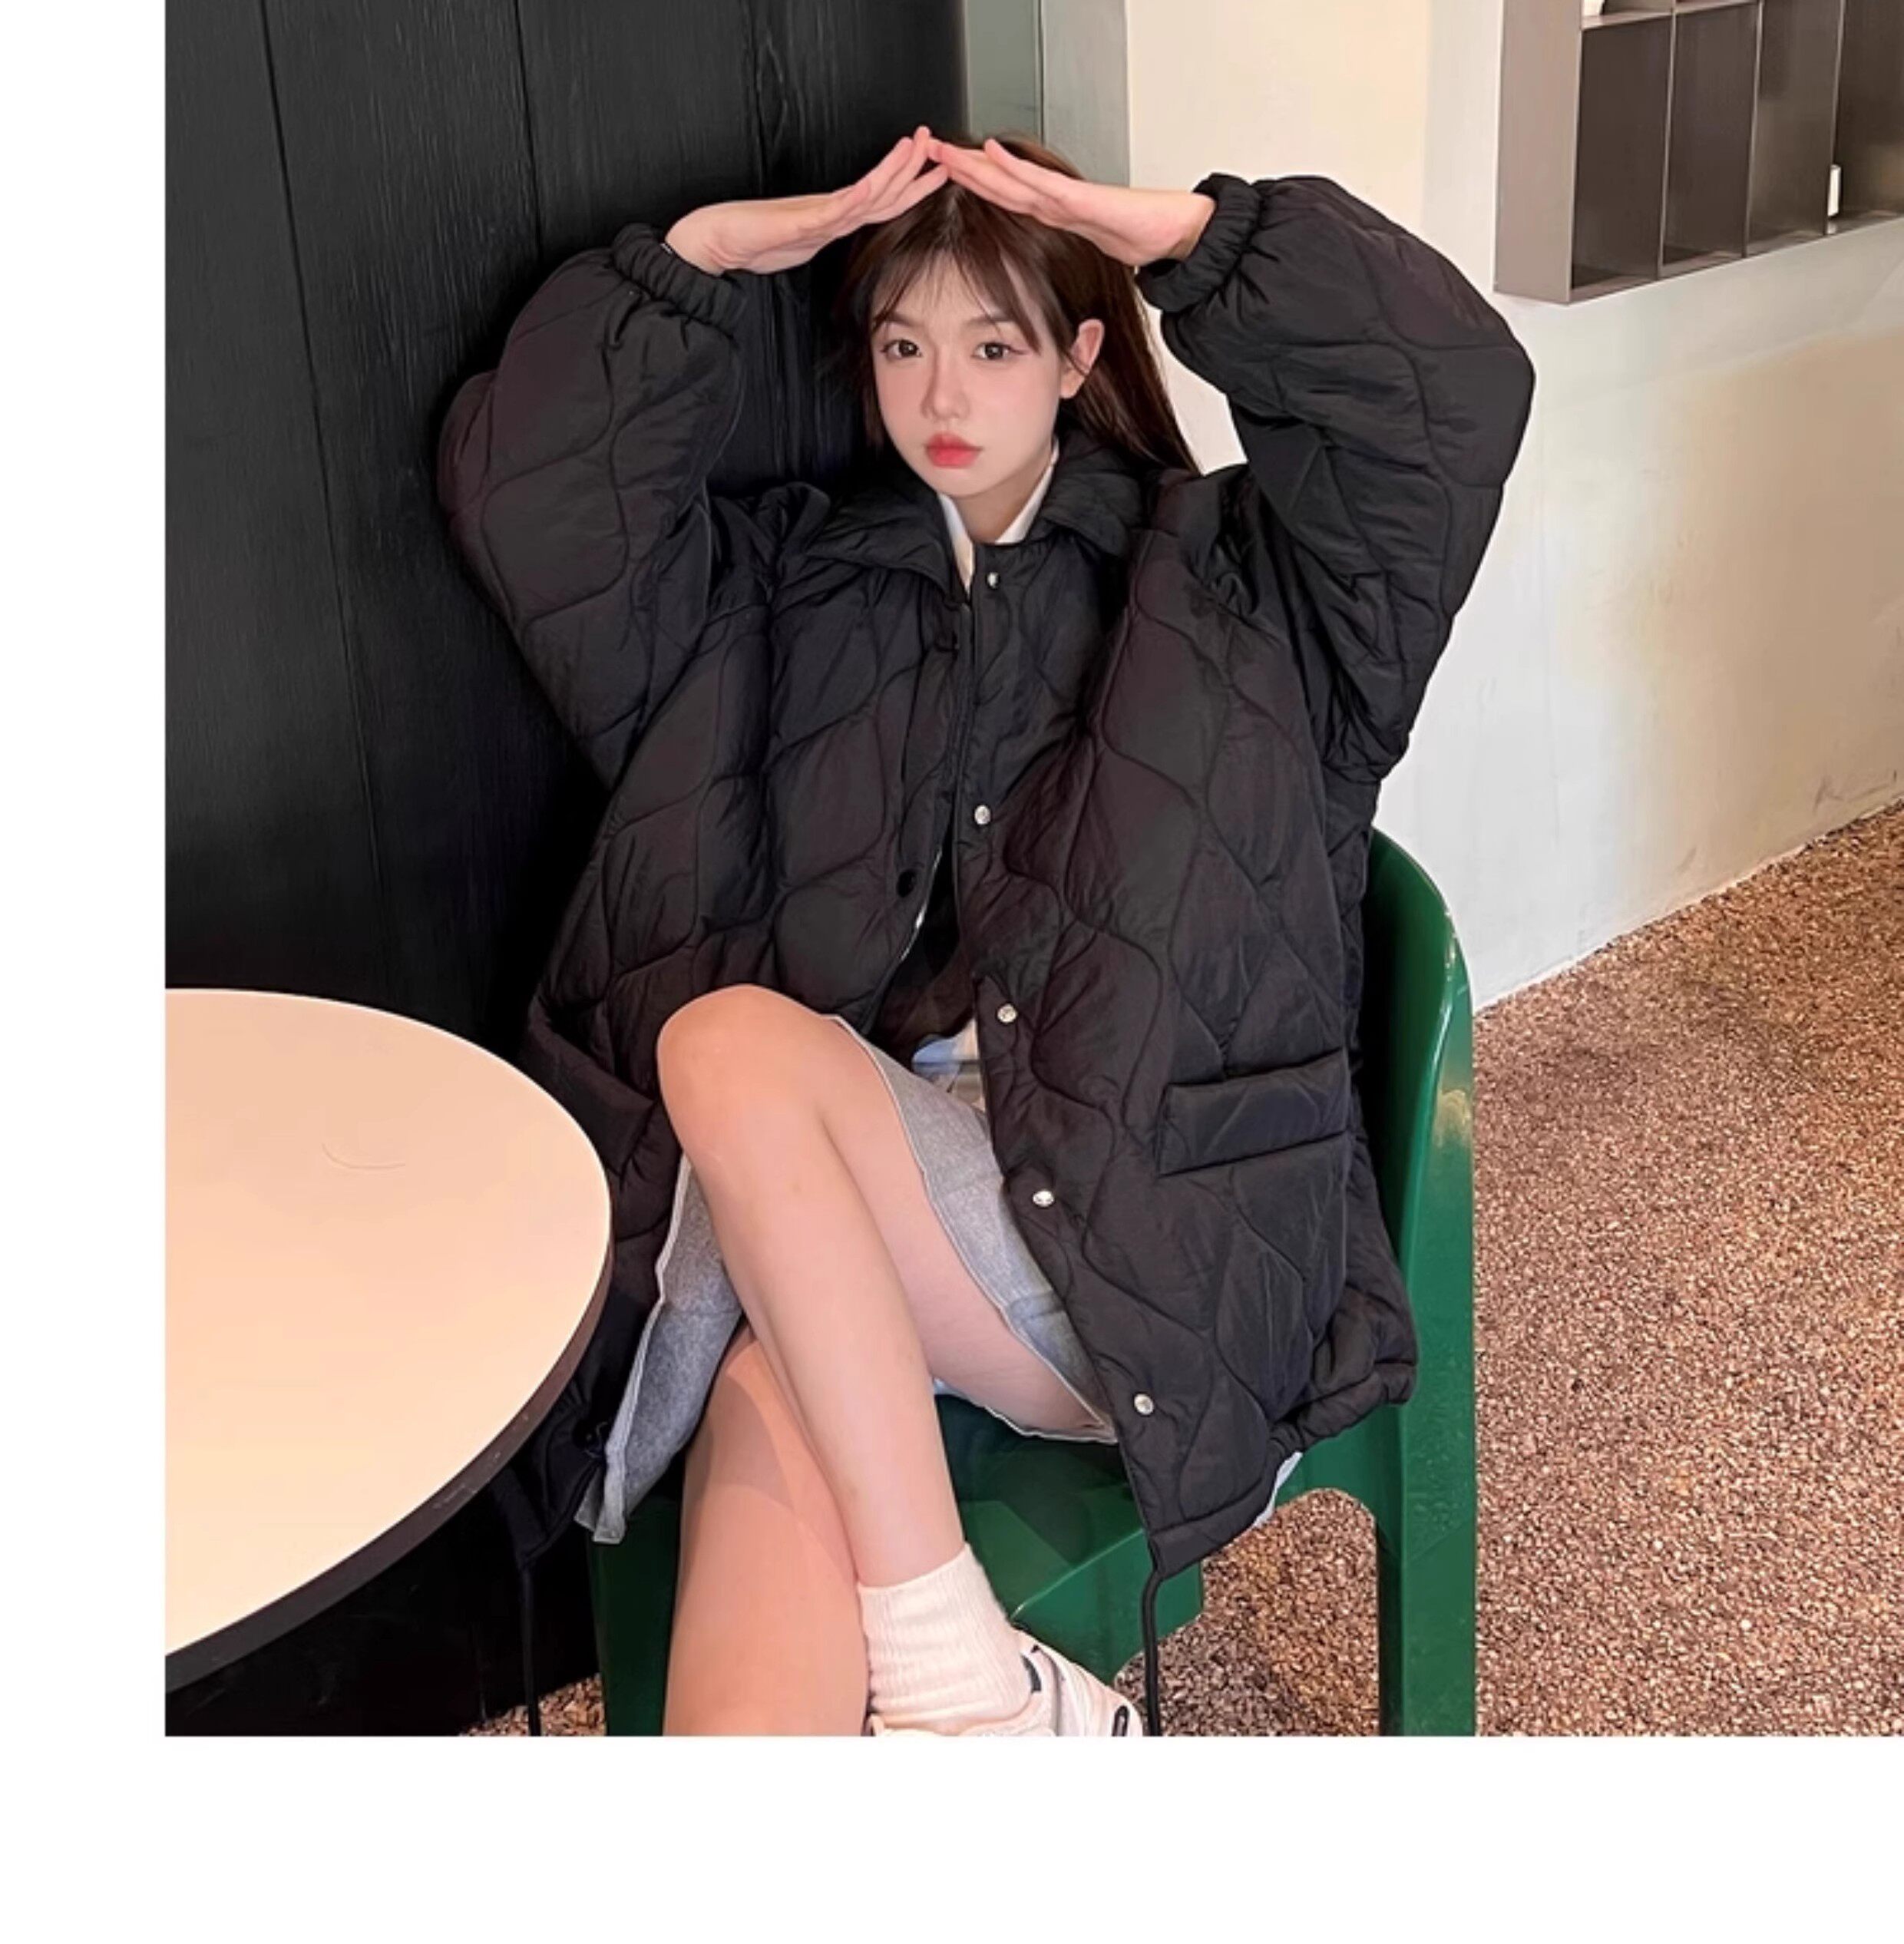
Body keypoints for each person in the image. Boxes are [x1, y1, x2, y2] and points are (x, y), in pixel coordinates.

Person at [435, 126, 1535, 1736]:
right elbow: (538, 512)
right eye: (902, 346)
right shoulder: (791, 588)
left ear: (1081, 355)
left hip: (1132, 1232)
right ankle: (956, 1694)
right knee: (770, 1443)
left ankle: (960, 1678)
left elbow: (1448, 401)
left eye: (994, 346)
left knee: (723, 1047)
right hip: (837, 1220)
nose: (940, 396)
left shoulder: (1252, 592)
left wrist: (1197, 240)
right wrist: (699, 263)